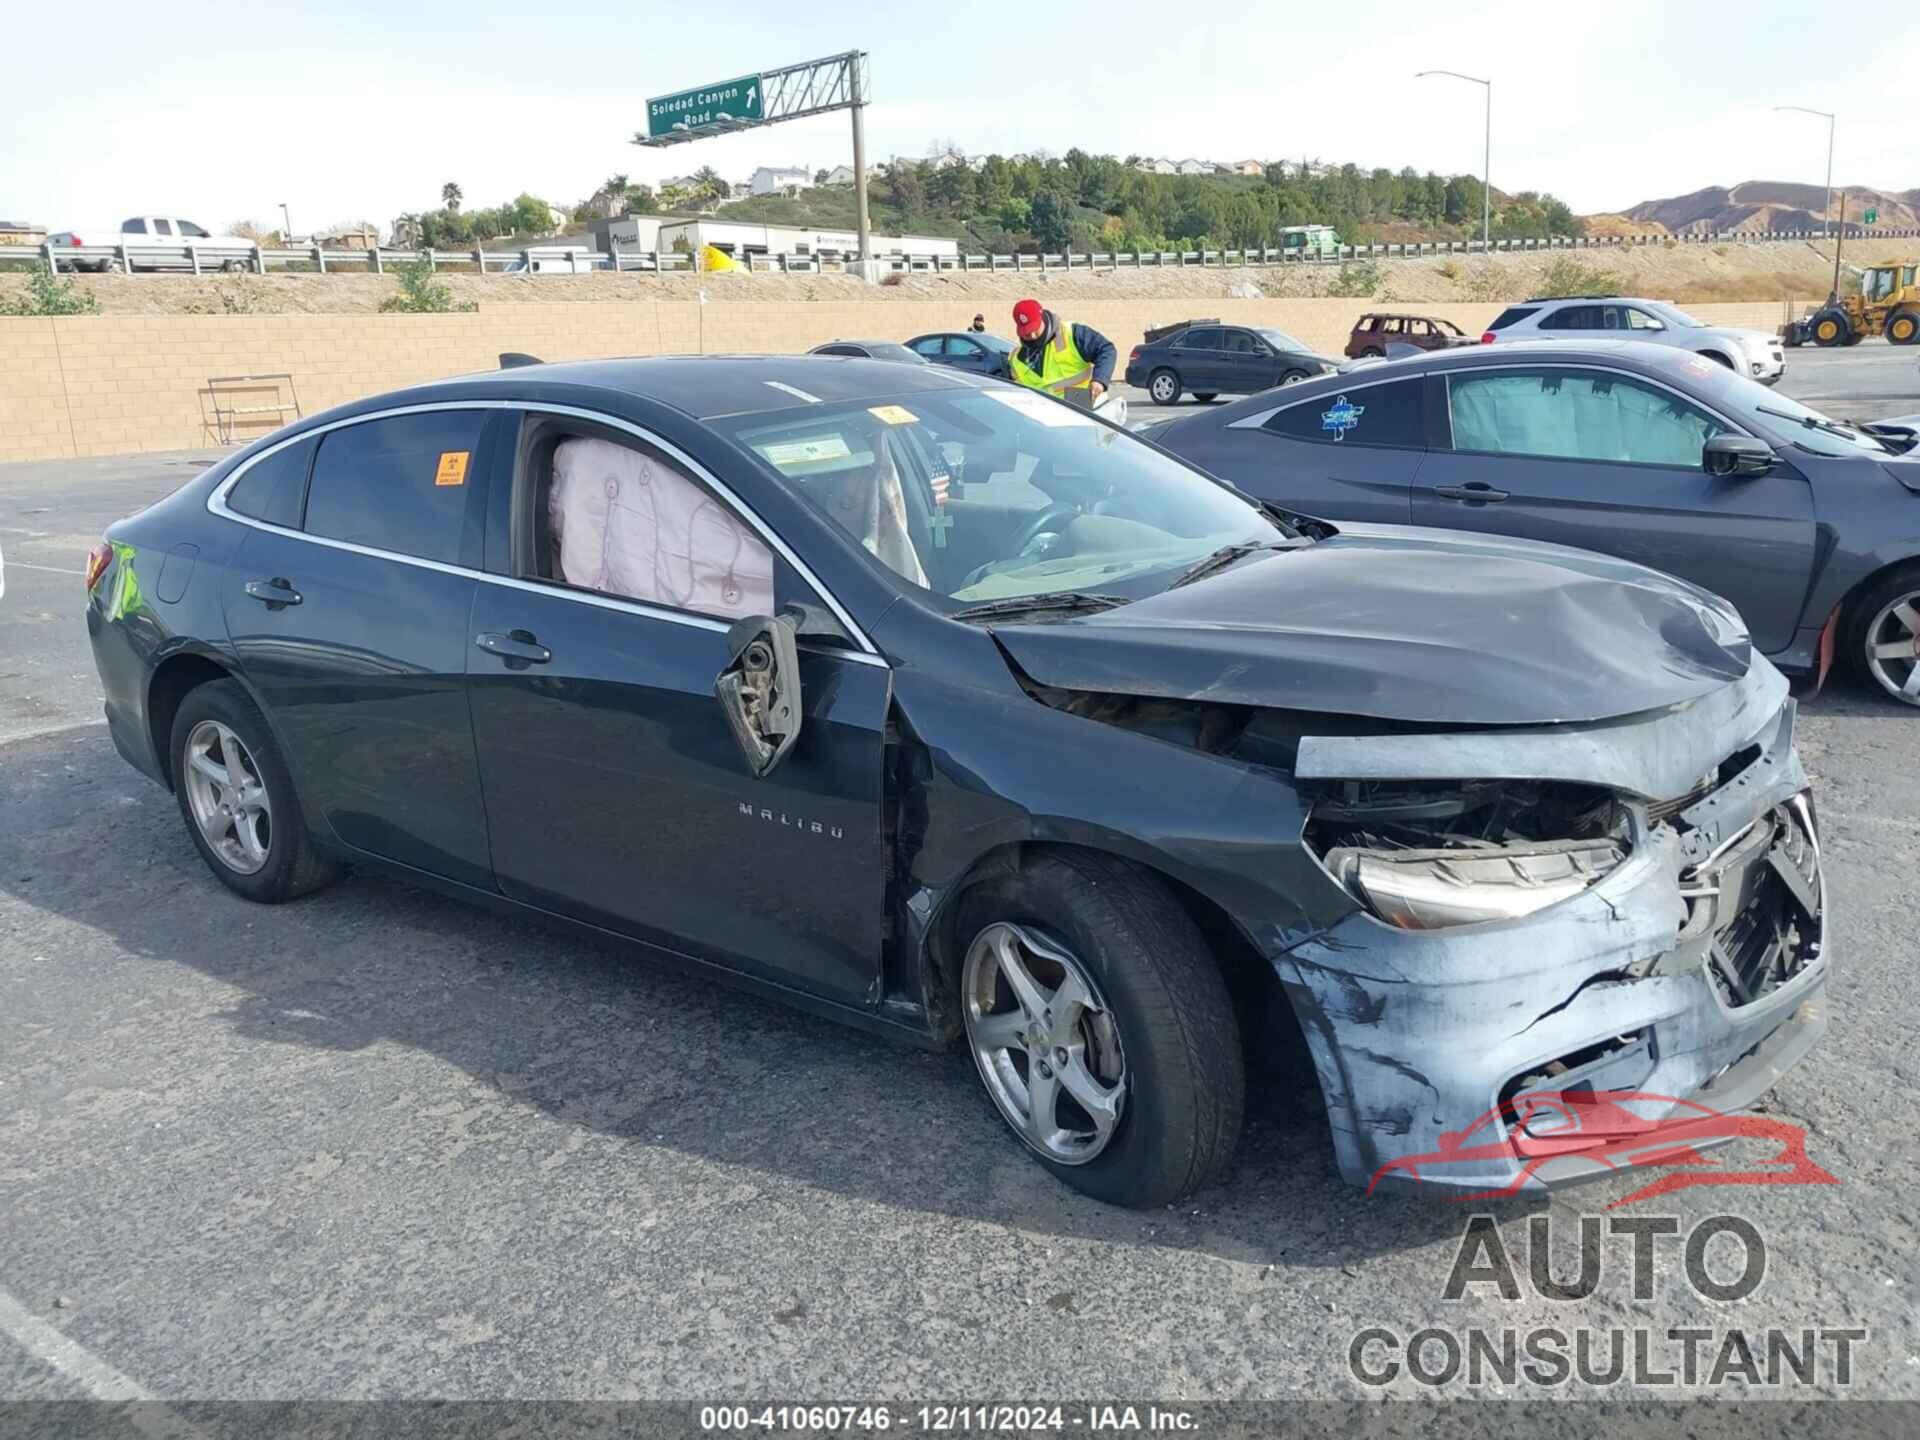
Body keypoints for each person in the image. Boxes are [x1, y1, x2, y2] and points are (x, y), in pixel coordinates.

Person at [1005, 298, 1117, 405]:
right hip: (1046, 412)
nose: (1033, 336)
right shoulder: (1018, 359)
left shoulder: (1071, 333)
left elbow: (1106, 349)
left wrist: (1099, 380)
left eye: (1035, 329)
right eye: (1027, 333)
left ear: (1042, 318)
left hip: (1082, 401)